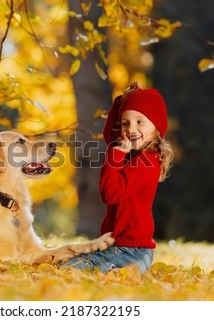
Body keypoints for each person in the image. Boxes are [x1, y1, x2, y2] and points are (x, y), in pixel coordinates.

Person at [62, 81, 174, 274]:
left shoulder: (145, 162)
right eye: (125, 123)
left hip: (128, 249)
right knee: (75, 262)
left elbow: (110, 194)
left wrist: (114, 156)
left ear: (157, 128)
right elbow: (110, 135)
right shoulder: (137, 156)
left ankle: (122, 270)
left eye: (140, 122)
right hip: (131, 249)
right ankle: (124, 271)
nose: (131, 129)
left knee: (67, 268)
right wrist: (122, 100)